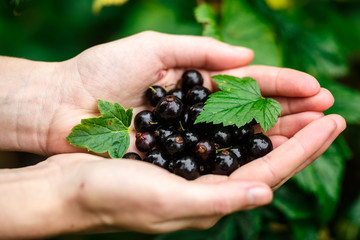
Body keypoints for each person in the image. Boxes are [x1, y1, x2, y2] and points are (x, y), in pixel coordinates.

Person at [0, 31, 345, 239]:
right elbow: (186, 131)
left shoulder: (195, 127)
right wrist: (68, 196)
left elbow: (198, 129)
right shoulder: (165, 125)